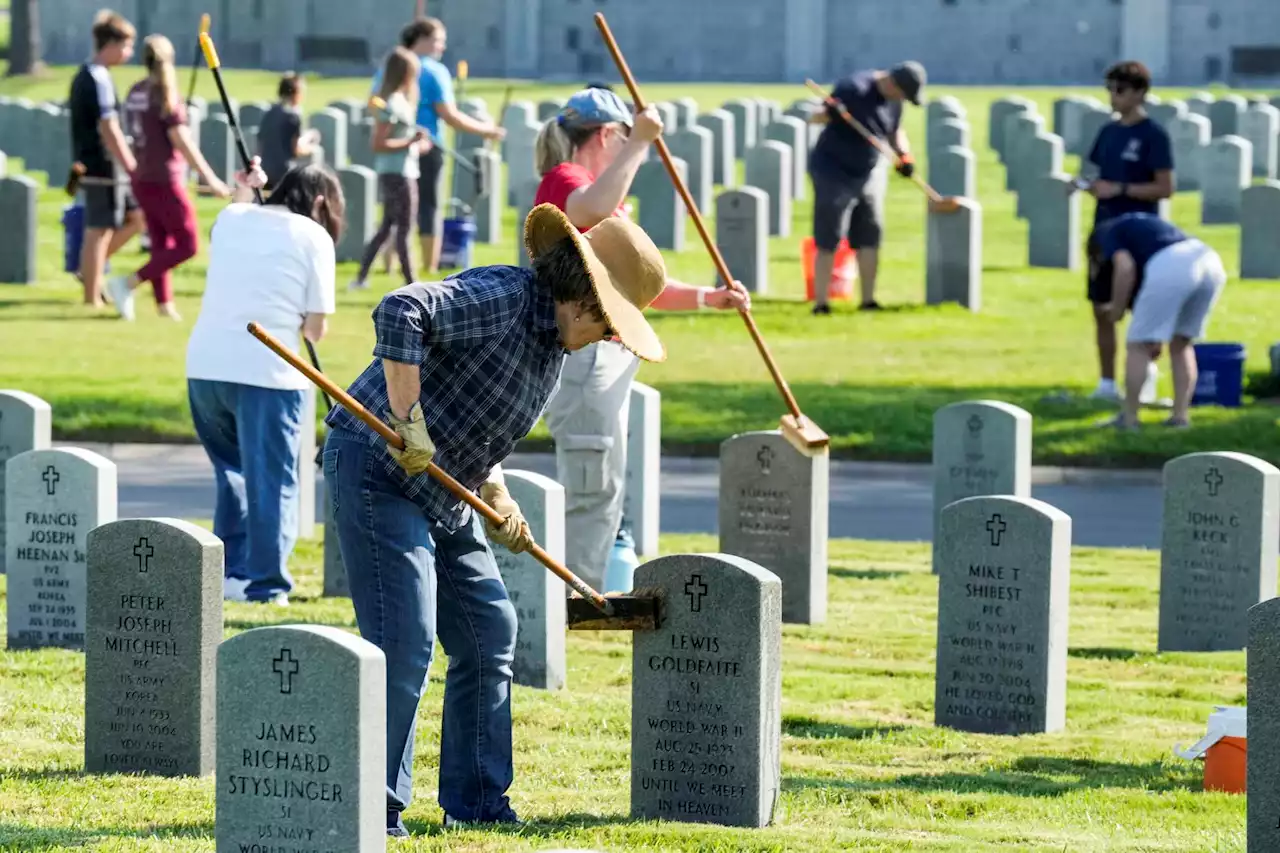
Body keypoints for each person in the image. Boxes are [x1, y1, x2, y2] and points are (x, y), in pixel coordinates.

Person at [323, 203, 669, 835]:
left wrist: (500, 496)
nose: (611, 339)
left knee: (491, 628)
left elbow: (477, 422)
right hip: (377, 467)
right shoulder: (507, 297)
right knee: (405, 639)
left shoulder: (552, 348)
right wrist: (408, 422)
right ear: (585, 299)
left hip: (443, 491)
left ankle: (477, 804)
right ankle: (374, 808)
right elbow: (402, 308)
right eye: (613, 327)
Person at [532, 87, 749, 591]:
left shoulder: (592, 188)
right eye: (622, 139)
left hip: (605, 360)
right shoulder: (567, 182)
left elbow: (632, 289)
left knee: (605, 487)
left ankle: (585, 592)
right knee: (590, 487)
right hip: (586, 363)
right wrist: (641, 145)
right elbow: (589, 207)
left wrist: (707, 298)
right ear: (607, 135)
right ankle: (573, 603)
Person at [186, 162, 343, 606]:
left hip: (205, 366)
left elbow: (236, 211)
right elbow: (314, 329)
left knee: (232, 474)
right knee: (273, 480)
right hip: (269, 372)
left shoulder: (233, 219)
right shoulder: (314, 237)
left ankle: (230, 574)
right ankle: (267, 584)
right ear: (318, 202)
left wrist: (244, 188)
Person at [107, 34, 231, 322]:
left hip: (142, 177)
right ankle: (128, 283)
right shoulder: (166, 95)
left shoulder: (136, 90)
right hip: (165, 178)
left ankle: (164, 304)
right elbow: (181, 142)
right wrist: (210, 178)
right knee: (188, 245)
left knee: (162, 243)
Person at [1082, 60, 1175, 403]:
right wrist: (1088, 186)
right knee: (1100, 306)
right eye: (1109, 89)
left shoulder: (1153, 135)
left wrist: (1120, 189)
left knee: (1144, 310)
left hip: (1139, 233)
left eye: (1119, 90)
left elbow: (1165, 187)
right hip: (1104, 229)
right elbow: (1100, 175)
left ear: (1138, 93)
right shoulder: (1108, 131)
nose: (1112, 96)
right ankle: (1106, 383)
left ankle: (1146, 378)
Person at [807, 61, 926, 314]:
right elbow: (815, 117)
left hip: (869, 171)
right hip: (833, 171)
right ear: (892, 83)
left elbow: (895, 130)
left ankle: (868, 300)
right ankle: (821, 303)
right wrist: (832, 113)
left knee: (870, 233)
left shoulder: (895, 101)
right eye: (902, 94)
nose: (901, 99)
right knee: (829, 235)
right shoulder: (853, 88)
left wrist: (904, 156)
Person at [1088, 213, 1225, 430]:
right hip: (1208, 261)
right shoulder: (1144, 227)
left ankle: (1129, 418)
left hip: (1172, 264)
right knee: (1181, 344)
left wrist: (1116, 309)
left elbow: (1125, 269)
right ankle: (1180, 417)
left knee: (1138, 346)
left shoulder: (1108, 234)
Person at [392, 17, 504, 276]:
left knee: (396, 206)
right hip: (428, 146)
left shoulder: (392, 64)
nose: (442, 47)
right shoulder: (433, 70)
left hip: (394, 144)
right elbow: (450, 115)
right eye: (438, 40)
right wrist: (488, 130)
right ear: (421, 39)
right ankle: (430, 266)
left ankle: (391, 263)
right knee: (429, 205)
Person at [69, 9, 144, 308]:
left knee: (136, 219)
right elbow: (108, 127)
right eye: (126, 46)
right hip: (102, 164)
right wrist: (131, 165)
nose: (128, 53)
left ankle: (90, 272)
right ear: (110, 44)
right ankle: (91, 298)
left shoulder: (90, 75)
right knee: (98, 230)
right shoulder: (97, 78)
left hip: (104, 164)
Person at [350, 47, 427, 290]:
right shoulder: (391, 103)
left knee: (387, 227)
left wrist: (417, 145)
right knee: (404, 227)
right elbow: (379, 143)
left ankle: (361, 277)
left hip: (404, 168)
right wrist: (410, 142)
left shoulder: (401, 101)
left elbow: (402, 141)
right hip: (397, 172)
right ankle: (411, 282)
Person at [257, 73, 321, 190]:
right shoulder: (293, 116)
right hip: (283, 173)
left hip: (264, 171)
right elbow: (296, 150)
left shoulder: (269, 113)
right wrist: (312, 148)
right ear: (296, 93)